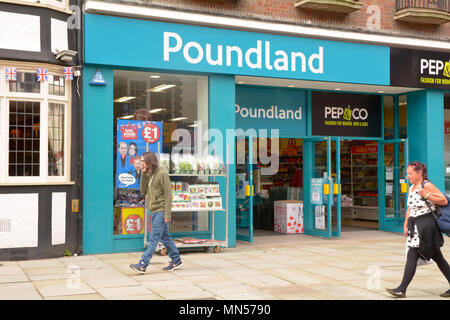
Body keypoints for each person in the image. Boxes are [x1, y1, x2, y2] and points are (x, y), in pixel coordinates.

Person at [386, 161, 450, 298]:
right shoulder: (411, 187)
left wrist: (426, 195)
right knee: (438, 258)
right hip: (415, 226)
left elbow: (443, 201)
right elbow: (410, 208)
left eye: (410, 173)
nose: (407, 176)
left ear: (419, 173)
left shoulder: (426, 185)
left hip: (426, 226)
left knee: (412, 254)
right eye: (407, 173)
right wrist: (405, 225)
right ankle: (401, 289)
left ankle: (401, 289)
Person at [130, 151, 183, 273]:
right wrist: (143, 174)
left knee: (153, 238)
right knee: (166, 238)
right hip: (153, 211)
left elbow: (168, 195)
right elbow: (143, 191)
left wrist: (167, 214)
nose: (141, 163)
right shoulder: (149, 174)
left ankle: (143, 264)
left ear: (149, 161)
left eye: (143, 161)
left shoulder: (162, 174)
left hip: (160, 210)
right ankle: (176, 260)